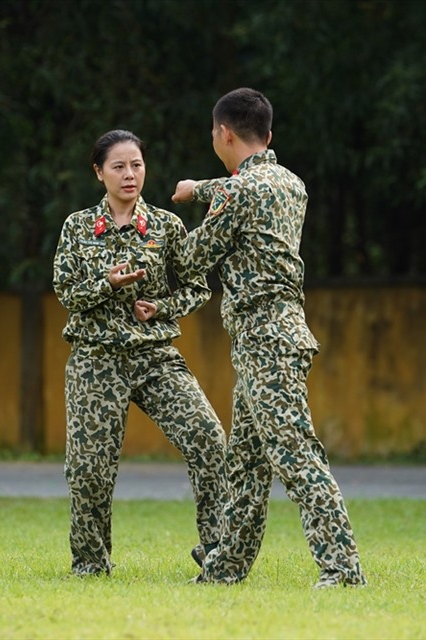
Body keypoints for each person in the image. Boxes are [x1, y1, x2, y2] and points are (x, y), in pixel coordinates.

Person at [170, 88, 366, 589]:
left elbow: (191, 260)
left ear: (223, 134)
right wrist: (200, 188)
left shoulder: (239, 193)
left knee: (296, 455)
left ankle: (342, 571)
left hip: (265, 340)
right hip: (275, 335)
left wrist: (157, 238)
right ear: (269, 135)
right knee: (247, 466)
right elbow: (247, 184)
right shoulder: (291, 183)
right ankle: (224, 571)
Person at [53, 129, 228, 577]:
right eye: (118, 166)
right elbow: (66, 293)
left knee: (209, 439)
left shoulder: (167, 226)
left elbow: (196, 287)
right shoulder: (77, 227)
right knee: (90, 468)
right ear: (99, 173)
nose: (130, 175)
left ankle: (217, 549)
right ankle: (91, 564)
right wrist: (106, 284)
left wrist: (161, 308)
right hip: (96, 358)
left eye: (136, 165)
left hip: (155, 357)